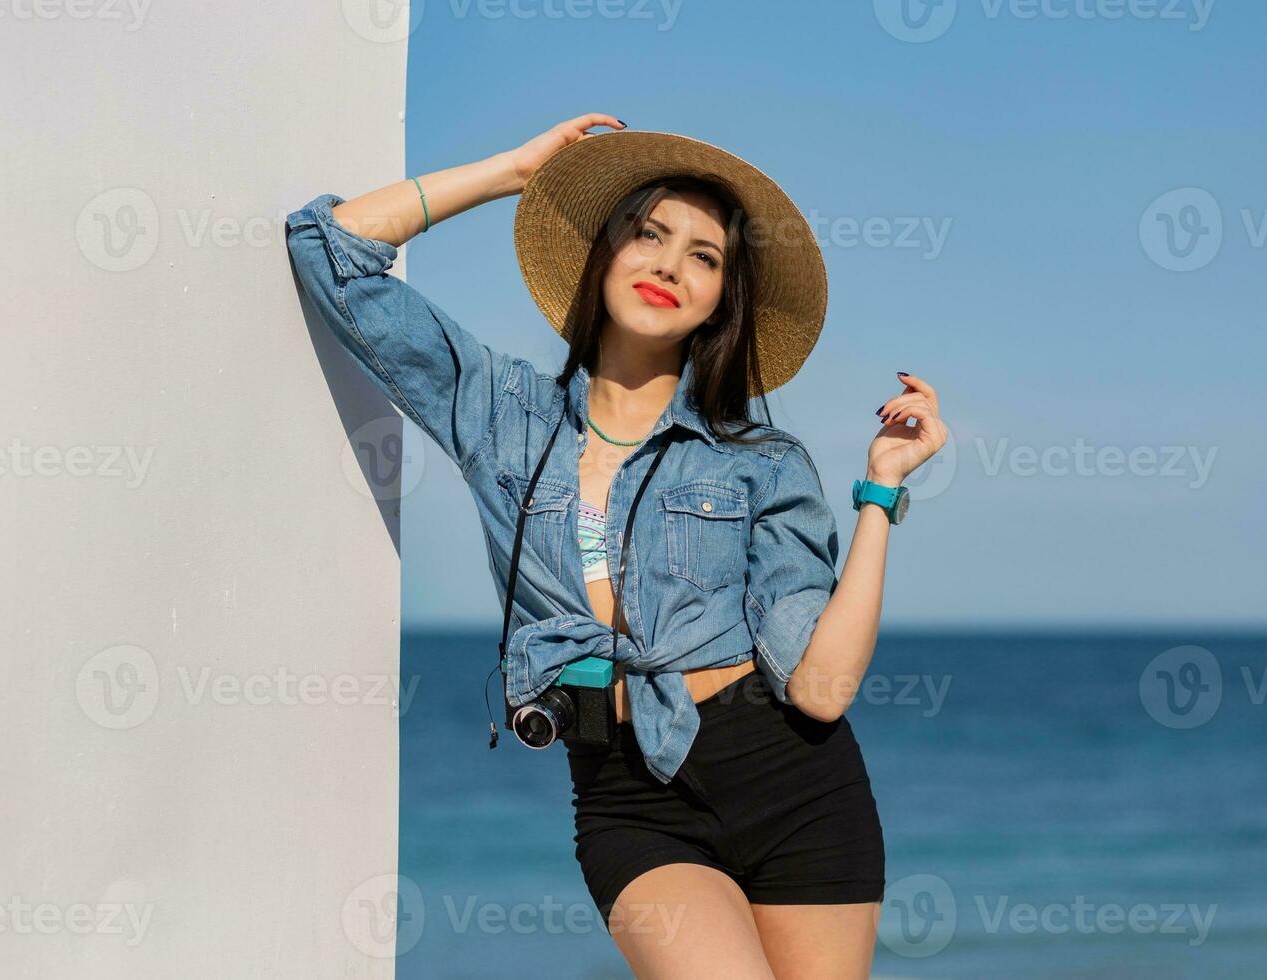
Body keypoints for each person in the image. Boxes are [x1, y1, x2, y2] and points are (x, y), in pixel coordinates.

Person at [284, 113, 948, 980]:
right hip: (629, 799)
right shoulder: (501, 415)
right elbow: (327, 247)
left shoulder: (759, 462)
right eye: (648, 236)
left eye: (703, 257)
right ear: (605, 255)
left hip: (794, 787)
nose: (671, 265)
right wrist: (511, 174)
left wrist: (880, 492)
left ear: (719, 300)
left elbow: (820, 690)